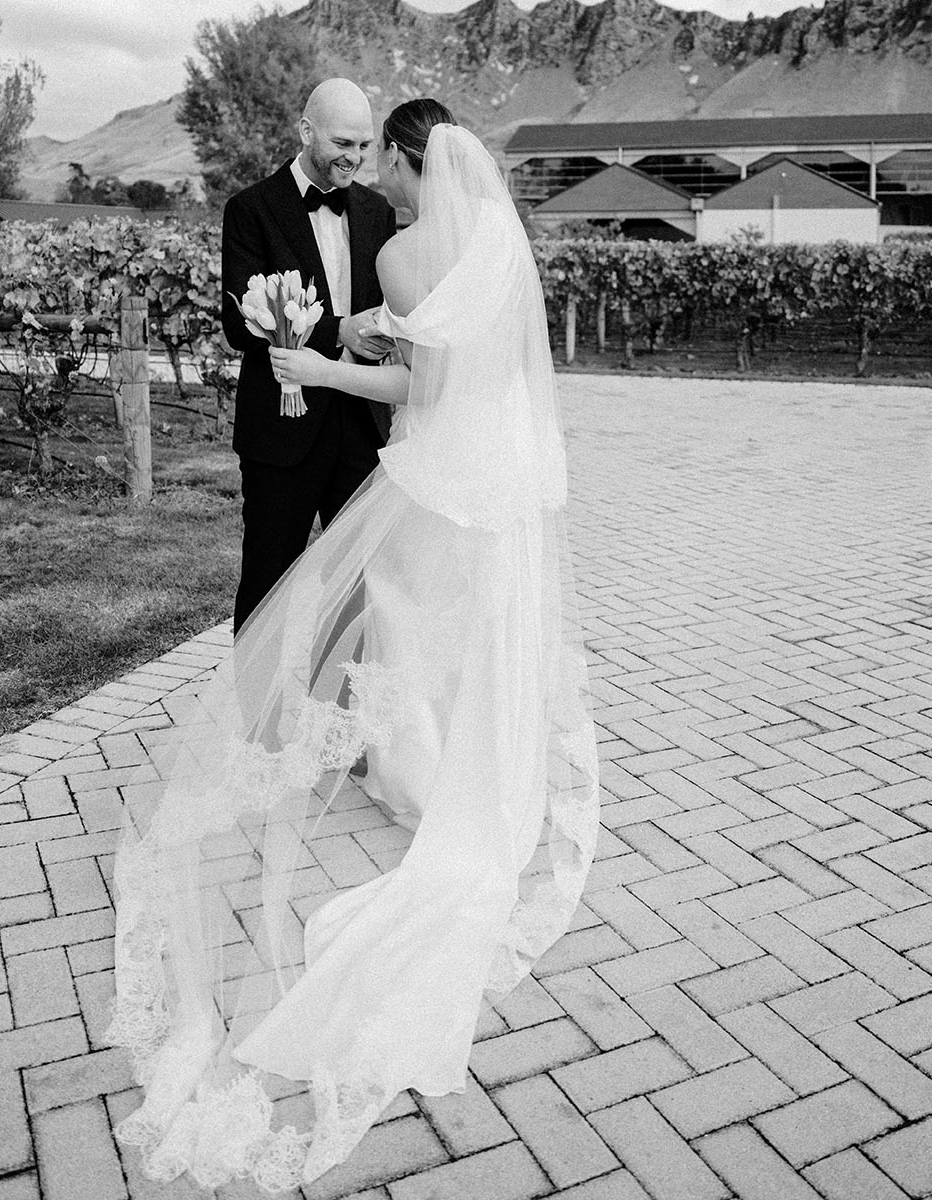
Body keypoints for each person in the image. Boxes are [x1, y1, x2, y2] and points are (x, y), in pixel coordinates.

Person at [109, 109, 599, 1194]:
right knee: (470, 642)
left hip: (430, 474)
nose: (370, 170)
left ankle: (416, 778)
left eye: (381, 155)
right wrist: (366, 333)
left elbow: (415, 387)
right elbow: (469, 358)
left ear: (409, 163)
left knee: (403, 625)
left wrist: (327, 367)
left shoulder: (400, 241)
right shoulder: (497, 242)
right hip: (503, 482)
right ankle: (459, 774)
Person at [221, 78, 397, 630]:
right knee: (268, 583)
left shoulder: (377, 211)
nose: (357, 158)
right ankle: (256, 719)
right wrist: (338, 332)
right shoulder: (251, 209)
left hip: (361, 424)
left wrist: (383, 333)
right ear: (306, 132)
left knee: (357, 587)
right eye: (344, 144)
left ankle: (339, 715)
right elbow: (239, 324)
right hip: (281, 429)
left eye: (365, 146)